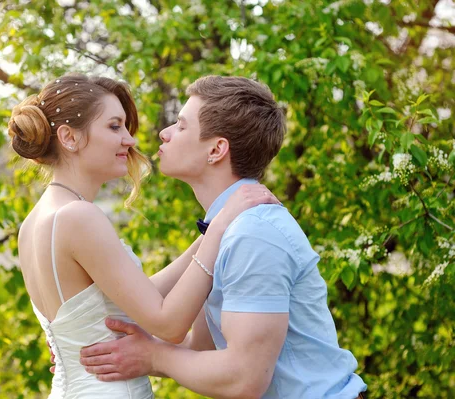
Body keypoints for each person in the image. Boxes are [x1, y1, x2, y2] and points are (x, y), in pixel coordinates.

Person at [78, 76, 368, 399]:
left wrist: (152, 356)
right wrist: (102, 345)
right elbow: (199, 347)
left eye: (181, 125)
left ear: (216, 150)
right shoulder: (226, 230)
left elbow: (243, 378)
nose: (165, 132)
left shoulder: (254, 234)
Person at [8, 74, 279, 399]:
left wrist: (212, 228)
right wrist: (220, 229)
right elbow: (167, 324)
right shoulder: (79, 216)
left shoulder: (36, 220)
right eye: (114, 126)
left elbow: (135, 297)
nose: (130, 140)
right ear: (69, 137)